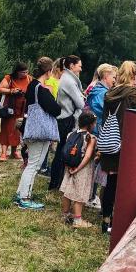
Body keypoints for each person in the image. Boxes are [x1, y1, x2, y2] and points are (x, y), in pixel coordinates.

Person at [99, 60, 136, 233]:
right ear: (133, 75)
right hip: (126, 144)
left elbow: (104, 118)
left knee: (111, 181)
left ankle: (106, 220)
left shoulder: (110, 93)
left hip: (110, 141)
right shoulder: (134, 94)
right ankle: (120, 220)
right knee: (124, 184)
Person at [14, 57, 61, 210]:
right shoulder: (41, 89)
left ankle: (20, 195)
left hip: (31, 129)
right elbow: (56, 109)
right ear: (49, 72)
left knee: (31, 164)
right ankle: (25, 198)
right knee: (34, 165)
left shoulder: (32, 85)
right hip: (40, 132)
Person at [49, 55, 86, 190]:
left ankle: (56, 183)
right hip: (66, 120)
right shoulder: (69, 81)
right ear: (71, 66)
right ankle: (55, 183)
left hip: (64, 118)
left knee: (60, 151)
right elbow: (80, 103)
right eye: (79, 66)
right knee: (63, 152)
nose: (81, 69)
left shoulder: (66, 78)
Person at [86, 63, 117, 209]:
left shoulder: (97, 89)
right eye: (113, 77)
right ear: (105, 76)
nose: (114, 80)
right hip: (97, 131)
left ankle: (90, 194)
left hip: (96, 129)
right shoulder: (102, 93)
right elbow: (103, 111)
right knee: (94, 163)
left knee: (93, 163)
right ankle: (90, 196)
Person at [60, 110, 98, 228]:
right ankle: (78, 220)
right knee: (79, 194)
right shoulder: (90, 138)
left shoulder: (70, 134)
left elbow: (67, 151)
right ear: (90, 124)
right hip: (82, 169)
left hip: (69, 167)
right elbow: (87, 156)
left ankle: (65, 214)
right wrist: (78, 169)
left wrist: (69, 166)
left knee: (67, 191)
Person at [0, 62, 32, 162]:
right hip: (10, 108)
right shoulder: (9, 78)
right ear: (17, 71)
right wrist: (12, 91)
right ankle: (3, 153)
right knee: (6, 129)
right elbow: (0, 88)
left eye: (26, 72)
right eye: (23, 72)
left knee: (18, 130)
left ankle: (14, 152)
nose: (25, 74)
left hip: (23, 108)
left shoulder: (29, 78)